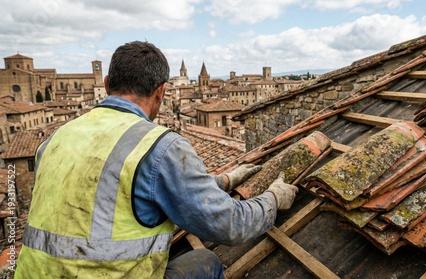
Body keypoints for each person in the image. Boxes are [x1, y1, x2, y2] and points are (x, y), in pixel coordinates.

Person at [15, 41, 298, 279]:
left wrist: (223, 180)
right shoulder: (158, 146)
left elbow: (114, 192)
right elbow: (231, 224)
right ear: (162, 92)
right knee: (205, 261)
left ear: (105, 84)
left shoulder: (55, 139)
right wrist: (273, 198)